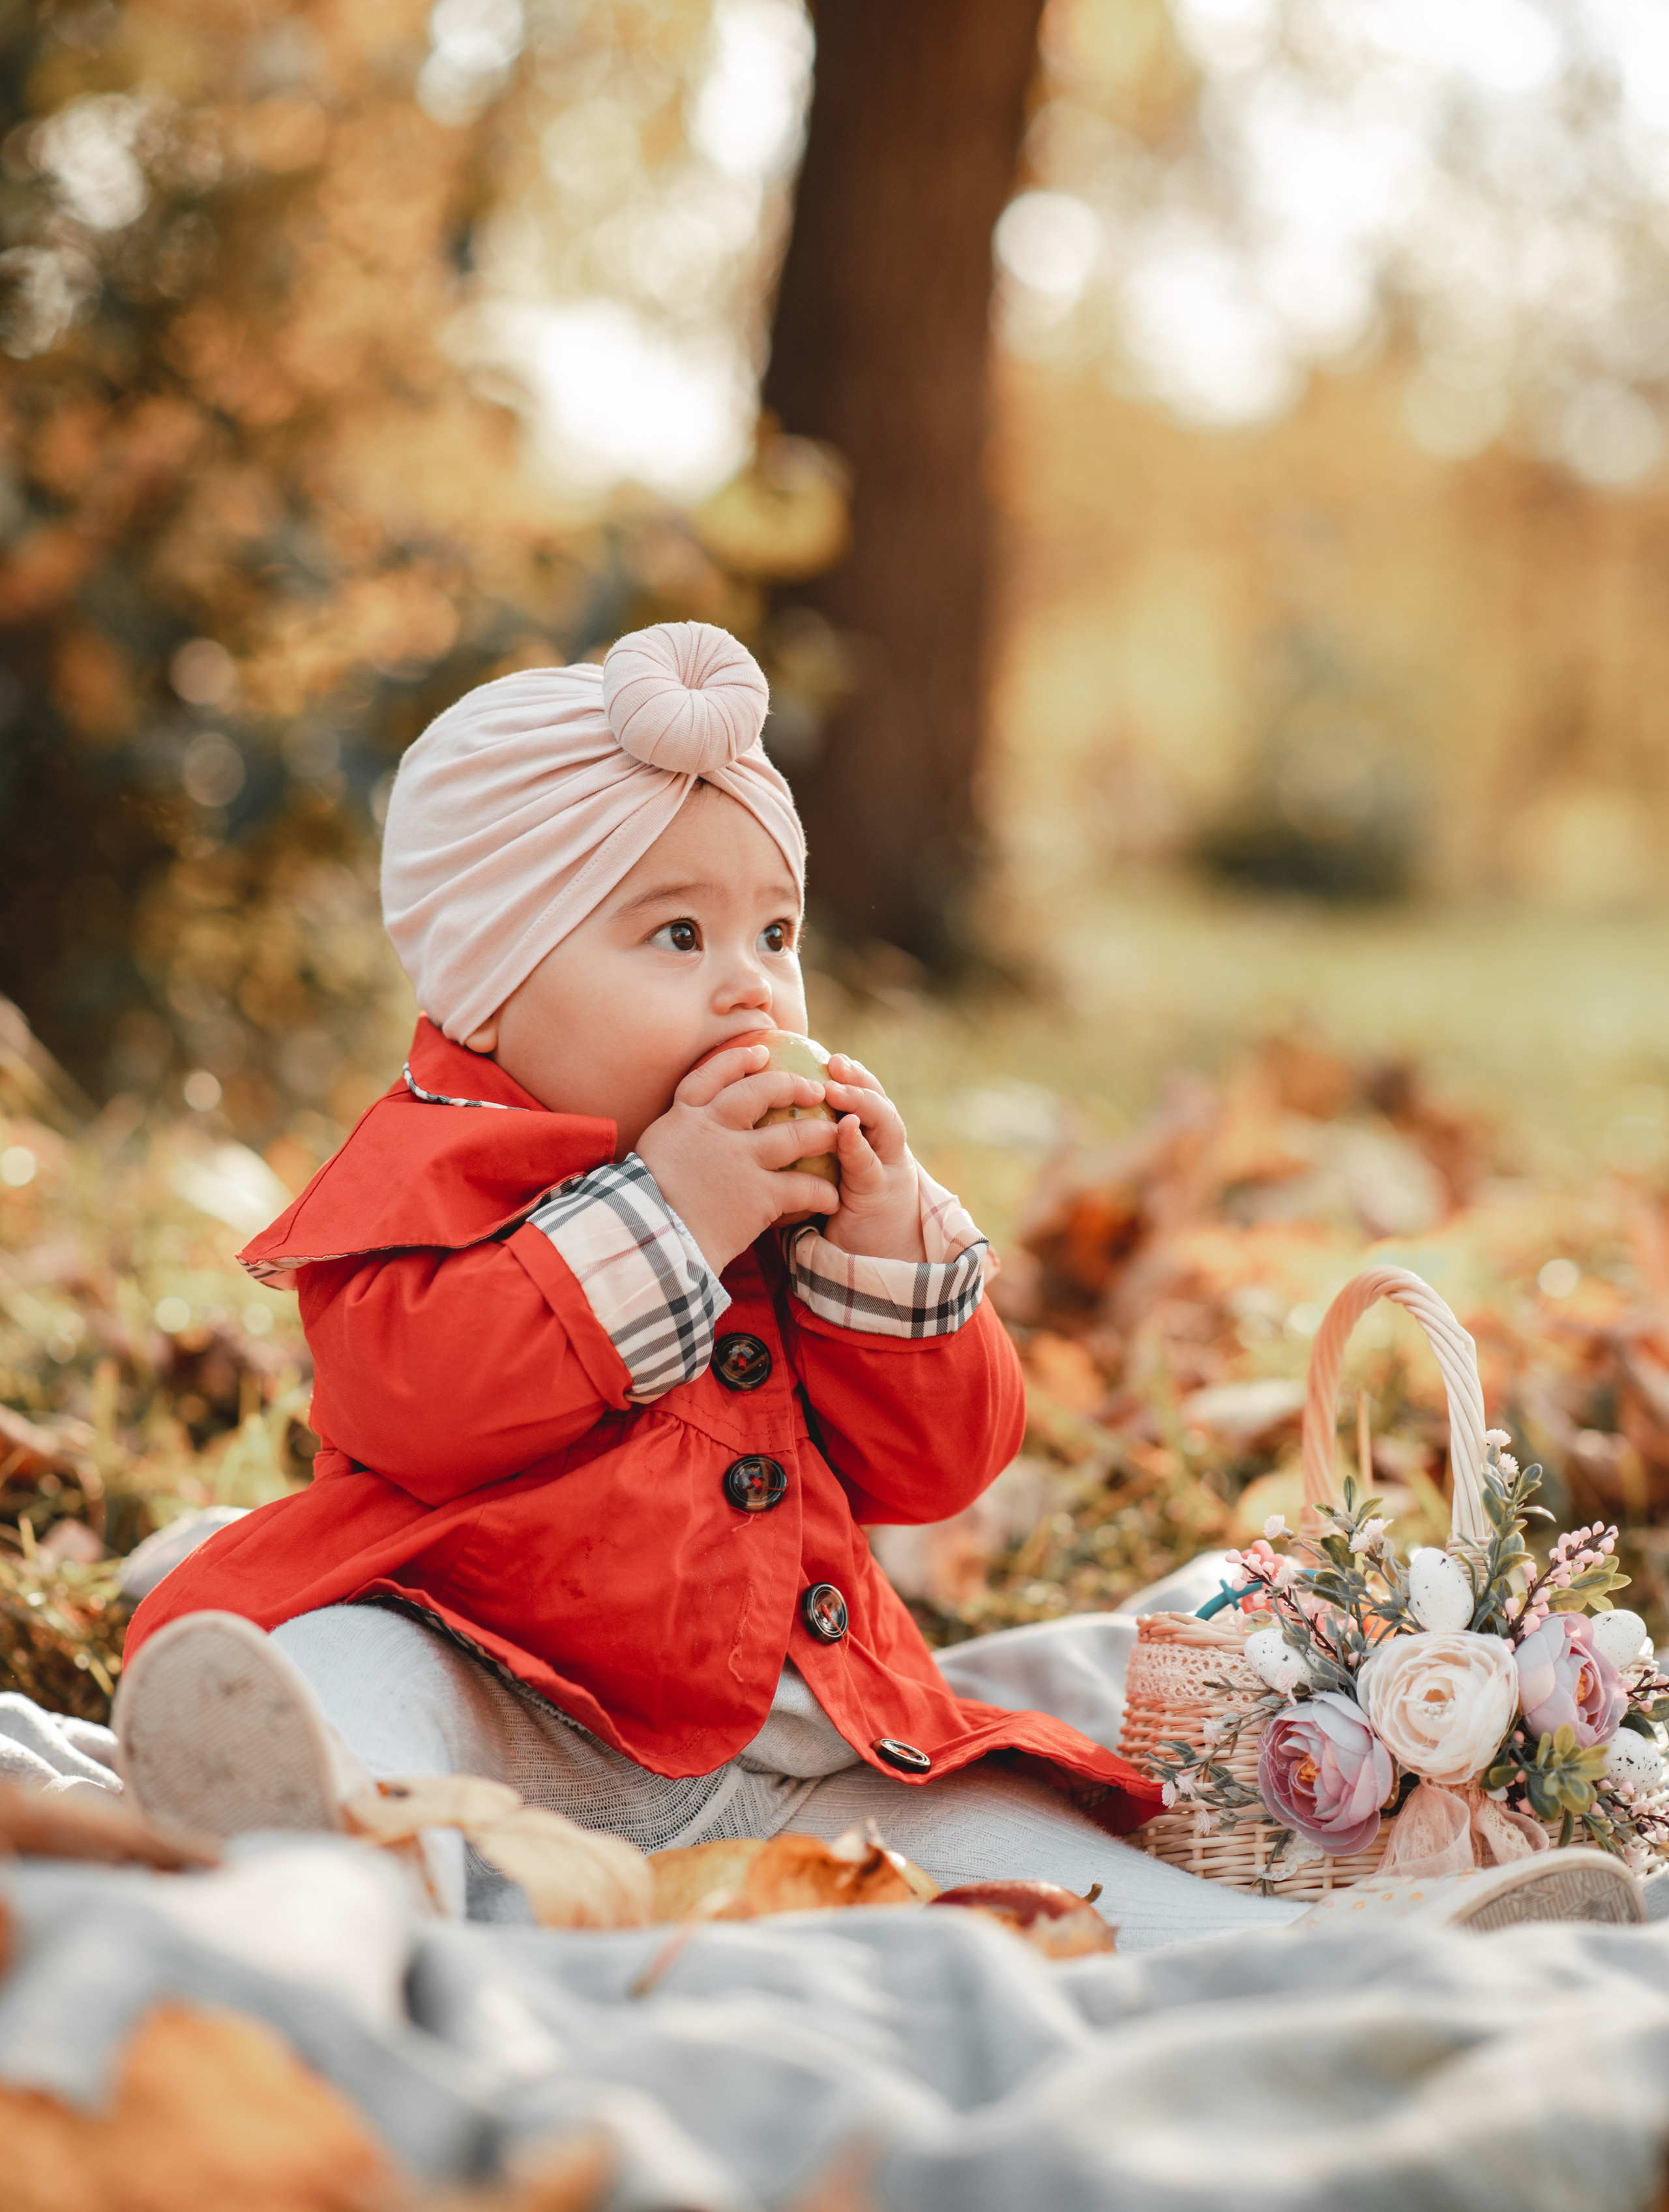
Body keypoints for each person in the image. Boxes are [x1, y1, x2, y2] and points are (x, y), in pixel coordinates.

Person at [116, 622, 1303, 1947]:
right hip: (505, 1700)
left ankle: (1295, 1946)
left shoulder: (797, 1191)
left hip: (787, 1744)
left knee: (1001, 1823)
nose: (749, 985)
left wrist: (884, 1246)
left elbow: (937, 1468)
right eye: (677, 934)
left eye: (774, 930)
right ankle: (339, 1875)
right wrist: (666, 1218)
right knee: (347, 1671)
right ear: (491, 987)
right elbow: (420, 1406)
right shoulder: (427, 1171)